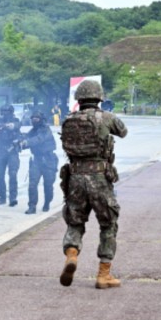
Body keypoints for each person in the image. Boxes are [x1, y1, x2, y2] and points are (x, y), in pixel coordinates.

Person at [58, 80, 128, 289]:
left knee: (75, 222)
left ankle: (72, 254)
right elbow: (123, 132)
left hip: (75, 178)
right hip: (99, 177)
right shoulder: (106, 117)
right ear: (99, 98)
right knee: (108, 223)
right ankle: (103, 274)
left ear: (78, 99)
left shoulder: (68, 120)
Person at [20, 111, 58, 214]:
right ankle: (32, 206)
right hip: (36, 160)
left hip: (49, 160)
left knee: (48, 185)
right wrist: (20, 141)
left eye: (36, 119)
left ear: (41, 120)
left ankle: (47, 203)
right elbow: (26, 137)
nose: (34, 121)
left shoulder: (46, 130)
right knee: (32, 184)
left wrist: (27, 142)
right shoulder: (32, 131)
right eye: (32, 119)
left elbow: (39, 139)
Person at [0, 104, 22, 206]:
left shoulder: (15, 120)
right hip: (1, 149)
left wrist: (9, 126)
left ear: (11, 112)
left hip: (12, 149)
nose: (5, 114)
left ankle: (13, 198)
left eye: (7, 112)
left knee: (12, 175)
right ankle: (2, 197)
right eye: (3, 111)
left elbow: (16, 125)